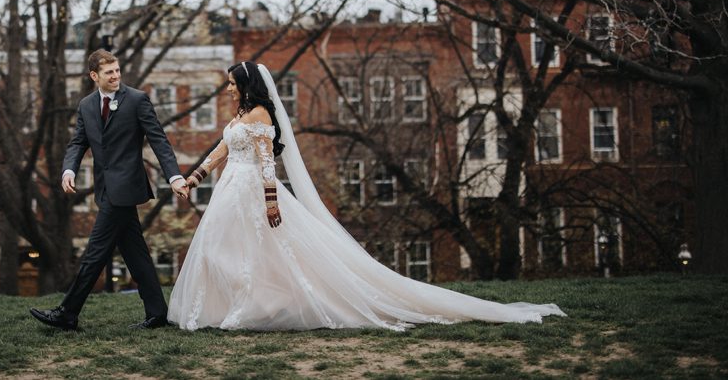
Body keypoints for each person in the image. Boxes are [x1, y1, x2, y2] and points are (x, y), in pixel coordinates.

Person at [167, 61, 566, 331]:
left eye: (233, 83)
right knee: (223, 249)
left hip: (253, 192)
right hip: (228, 192)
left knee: (258, 253)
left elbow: (268, 163)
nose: (229, 88)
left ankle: (256, 307)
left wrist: (272, 201)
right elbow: (222, 151)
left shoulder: (259, 117)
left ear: (246, 85)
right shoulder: (238, 117)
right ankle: (234, 305)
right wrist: (194, 177)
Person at [30, 49, 189, 330]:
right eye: (109, 72)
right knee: (135, 253)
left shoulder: (137, 100)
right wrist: (69, 169)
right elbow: (78, 142)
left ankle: (67, 312)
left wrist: (174, 176)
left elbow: (159, 140)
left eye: (117, 70)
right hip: (106, 189)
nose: (115, 76)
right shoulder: (86, 105)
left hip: (127, 186)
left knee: (95, 252)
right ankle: (158, 313)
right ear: (95, 76)